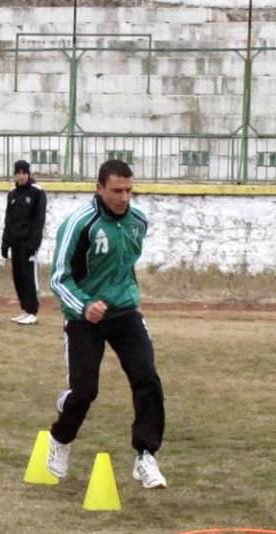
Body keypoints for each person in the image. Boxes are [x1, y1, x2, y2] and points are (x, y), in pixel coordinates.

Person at [46, 159, 167, 489]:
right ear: (99, 189)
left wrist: (127, 297)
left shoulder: (138, 221)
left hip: (125, 314)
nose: (124, 197)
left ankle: (145, 456)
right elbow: (58, 278)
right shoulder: (79, 224)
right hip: (84, 318)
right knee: (85, 392)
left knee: (147, 379)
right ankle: (59, 439)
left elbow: (126, 266)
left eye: (129, 190)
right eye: (116, 190)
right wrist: (85, 305)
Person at [1, 159, 47, 325]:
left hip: (29, 244)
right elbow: (9, 219)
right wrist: (5, 243)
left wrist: (34, 243)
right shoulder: (12, 193)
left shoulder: (37, 192)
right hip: (15, 243)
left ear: (28, 174)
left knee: (29, 277)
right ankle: (25, 309)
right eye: (18, 173)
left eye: (24, 173)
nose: (21, 176)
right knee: (18, 277)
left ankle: (33, 311)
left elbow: (39, 220)